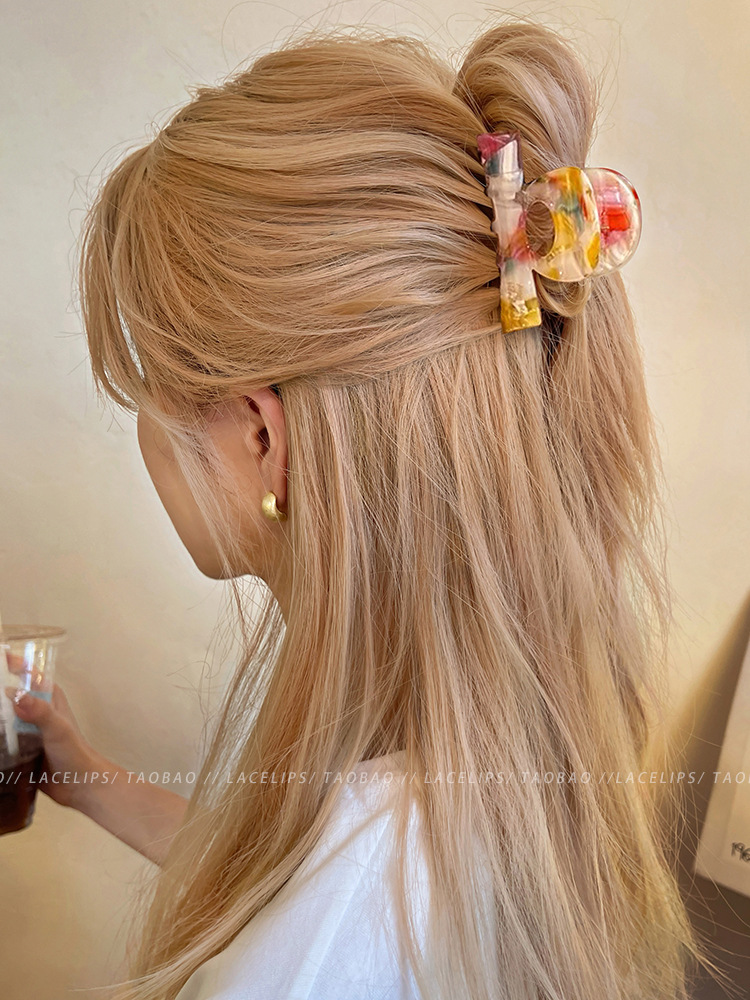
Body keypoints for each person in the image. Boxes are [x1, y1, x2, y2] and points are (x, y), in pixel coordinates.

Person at [7, 14, 728, 1000]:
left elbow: (306, 933)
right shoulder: (484, 746)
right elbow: (303, 889)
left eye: (146, 392)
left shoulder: (309, 951)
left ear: (262, 436)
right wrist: (86, 777)